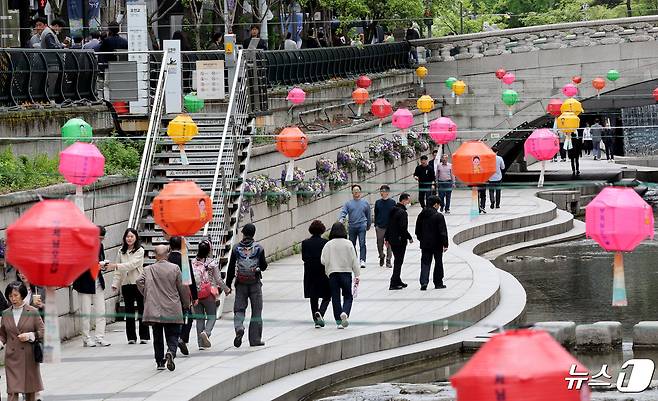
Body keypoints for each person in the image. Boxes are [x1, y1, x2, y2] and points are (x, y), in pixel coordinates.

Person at [137, 245, 189, 371]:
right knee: (173, 333)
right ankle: (171, 352)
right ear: (168, 254)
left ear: (155, 255)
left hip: (155, 308)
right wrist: (186, 303)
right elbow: (182, 287)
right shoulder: (175, 268)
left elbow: (139, 281)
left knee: (157, 335)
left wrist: (147, 294)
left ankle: (160, 361)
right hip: (172, 307)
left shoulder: (148, 269)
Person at [0, 281, 44, 401]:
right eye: (10, 296)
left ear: (22, 295)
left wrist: (30, 335)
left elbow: (43, 331)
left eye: (15, 295)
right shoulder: (5, 313)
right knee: (12, 391)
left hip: (28, 357)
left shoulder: (33, 311)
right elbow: (3, 334)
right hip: (12, 357)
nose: (12, 299)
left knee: (30, 392)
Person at [227, 223, 268, 347]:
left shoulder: (236, 248)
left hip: (240, 283)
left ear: (243, 233)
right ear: (253, 234)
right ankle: (255, 340)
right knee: (256, 311)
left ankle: (239, 328)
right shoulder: (259, 248)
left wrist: (228, 284)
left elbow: (230, 268)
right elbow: (264, 266)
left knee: (239, 309)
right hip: (255, 283)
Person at [109, 228, 149, 344]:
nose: (129, 239)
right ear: (124, 238)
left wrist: (116, 265)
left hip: (138, 283)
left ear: (136, 237)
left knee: (142, 309)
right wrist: (115, 283)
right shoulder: (121, 251)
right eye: (127, 237)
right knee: (129, 310)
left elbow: (132, 265)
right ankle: (131, 337)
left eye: (131, 236)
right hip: (126, 284)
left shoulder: (140, 250)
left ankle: (144, 336)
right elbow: (118, 270)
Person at [73, 225, 111, 347]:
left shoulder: (100, 246)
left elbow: (101, 261)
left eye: (102, 239)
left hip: (98, 282)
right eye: (98, 238)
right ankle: (86, 337)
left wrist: (103, 265)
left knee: (101, 311)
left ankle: (100, 336)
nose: (99, 241)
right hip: (84, 284)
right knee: (86, 313)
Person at [320, 222, 360, 328]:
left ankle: (338, 321)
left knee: (335, 297)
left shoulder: (328, 244)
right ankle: (345, 312)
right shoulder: (348, 243)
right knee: (348, 296)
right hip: (346, 273)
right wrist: (357, 274)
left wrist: (330, 265)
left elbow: (322, 260)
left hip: (333, 273)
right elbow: (354, 260)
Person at [192, 239, 230, 349]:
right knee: (212, 316)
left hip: (196, 294)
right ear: (209, 250)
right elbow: (218, 280)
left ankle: (201, 344)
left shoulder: (192, 262)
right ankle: (207, 333)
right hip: (208, 293)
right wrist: (226, 289)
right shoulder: (212, 263)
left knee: (200, 318)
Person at [167, 236, 198, 356]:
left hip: (169, 293)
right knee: (188, 317)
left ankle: (173, 341)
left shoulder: (167, 259)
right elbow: (190, 279)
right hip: (183, 293)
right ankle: (182, 337)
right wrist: (194, 296)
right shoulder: (184, 259)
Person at [415, 196, 449, 290]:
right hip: (437, 244)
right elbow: (443, 231)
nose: (438, 206)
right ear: (435, 204)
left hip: (425, 243)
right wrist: (445, 244)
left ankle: (424, 282)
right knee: (438, 263)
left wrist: (421, 239)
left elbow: (417, 230)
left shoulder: (421, 215)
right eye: (438, 204)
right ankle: (438, 282)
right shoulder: (439, 216)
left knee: (425, 262)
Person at [301, 220, 331, 328]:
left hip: (309, 271)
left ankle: (316, 319)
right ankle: (321, 312)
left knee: (313, 296)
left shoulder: (305, 243)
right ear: (322, 230)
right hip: (323, 270)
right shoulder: (326, 243)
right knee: (327, 294)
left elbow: (304, 258)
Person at [338, 184, 372, 268]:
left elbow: (368, 215)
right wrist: (341, 219)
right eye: (354, 191)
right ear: (352, 193)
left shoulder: (365, 203)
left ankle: (362, 260)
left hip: (362, 225)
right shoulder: (348, 204)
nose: (356, 192)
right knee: (352, 244)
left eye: (358, 191)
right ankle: (353, 260)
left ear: (360, 192)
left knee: (362, 243)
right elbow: (343, 212)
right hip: (352, 226)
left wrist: (368, 225)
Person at [385, 193, 413, 290]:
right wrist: (409, 237)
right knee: (398, 261)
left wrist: (387, 238)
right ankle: (393, 282)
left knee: (398, 260)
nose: (409, 202)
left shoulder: (393, 210)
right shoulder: (402, 213)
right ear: (404, 200)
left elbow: (388, 224)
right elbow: (403, 228)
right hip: (400, 240)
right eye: (408, 200)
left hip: (393, 239)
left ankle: (397, 279)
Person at [374, 185, 396, 268]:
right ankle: (381, 255)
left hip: (390, 226)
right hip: (380, 226)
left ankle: (388, 260)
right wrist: (376, 225)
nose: (382, 193)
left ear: (387, 192)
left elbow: (394, 214)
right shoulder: (378, 202)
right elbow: (376, 214)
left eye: (383, 191)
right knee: (379, 243)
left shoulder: (392, 202)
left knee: (390, 244)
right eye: (381, 191)